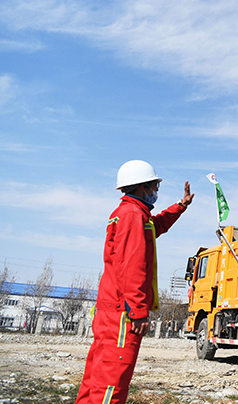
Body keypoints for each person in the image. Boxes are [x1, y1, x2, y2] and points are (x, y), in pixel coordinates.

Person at [76, 160, 194, 404]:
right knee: (111, 382)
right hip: (122, 314)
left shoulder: (135, 214)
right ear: (143, 187)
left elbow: (157, 225)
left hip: (112, 309)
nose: (156, 192)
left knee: (96, 378)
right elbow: (132, 265)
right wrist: (138, 310)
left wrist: (180, 206)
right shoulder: (132, 215)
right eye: (155, 186)